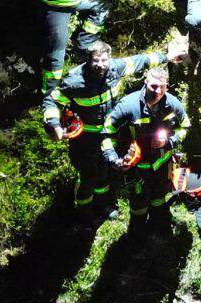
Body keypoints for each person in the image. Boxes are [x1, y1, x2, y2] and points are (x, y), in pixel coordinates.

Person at [42, 38, 186, 214]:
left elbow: (140, 61)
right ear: (88, 60)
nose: (100, 65)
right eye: (96, 60)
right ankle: (84, 214)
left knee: (105, 172)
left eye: (104, 60)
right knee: (88, 175)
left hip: (110, 134)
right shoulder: (75, 81)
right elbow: (52, 100)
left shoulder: (115, 68)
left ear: (109, 59)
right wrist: (54, 124)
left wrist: (166, 56)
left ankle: (104, 207)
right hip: (85, 139)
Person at [101, 65, 191, 230]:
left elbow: (185, 127)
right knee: (139, 206)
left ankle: (159, 226)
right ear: (146, 82)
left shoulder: (172, 104)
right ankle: (137, 233)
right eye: (154, 86)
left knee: (159, 199)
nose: (158, 91)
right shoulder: (128, 105)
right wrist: (114, 160)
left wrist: (169, 142)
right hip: (138, 169)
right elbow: (107, 134)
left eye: (162, 87)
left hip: (162, 166)